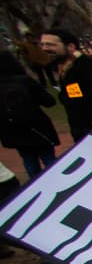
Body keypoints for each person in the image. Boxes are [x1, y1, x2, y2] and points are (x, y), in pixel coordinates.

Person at [39, 29, 92, 142]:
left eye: (50, 44)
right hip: (82, 136)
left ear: (71, 46)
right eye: (42, 44)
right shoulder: (64, 70)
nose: (44, 48)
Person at [0, 51, 59, 179]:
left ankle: (35, 186)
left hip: (14, 132)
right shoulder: (25, 81)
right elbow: (49, 102)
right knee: (49, 159)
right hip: (38, 127)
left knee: (29, 161)